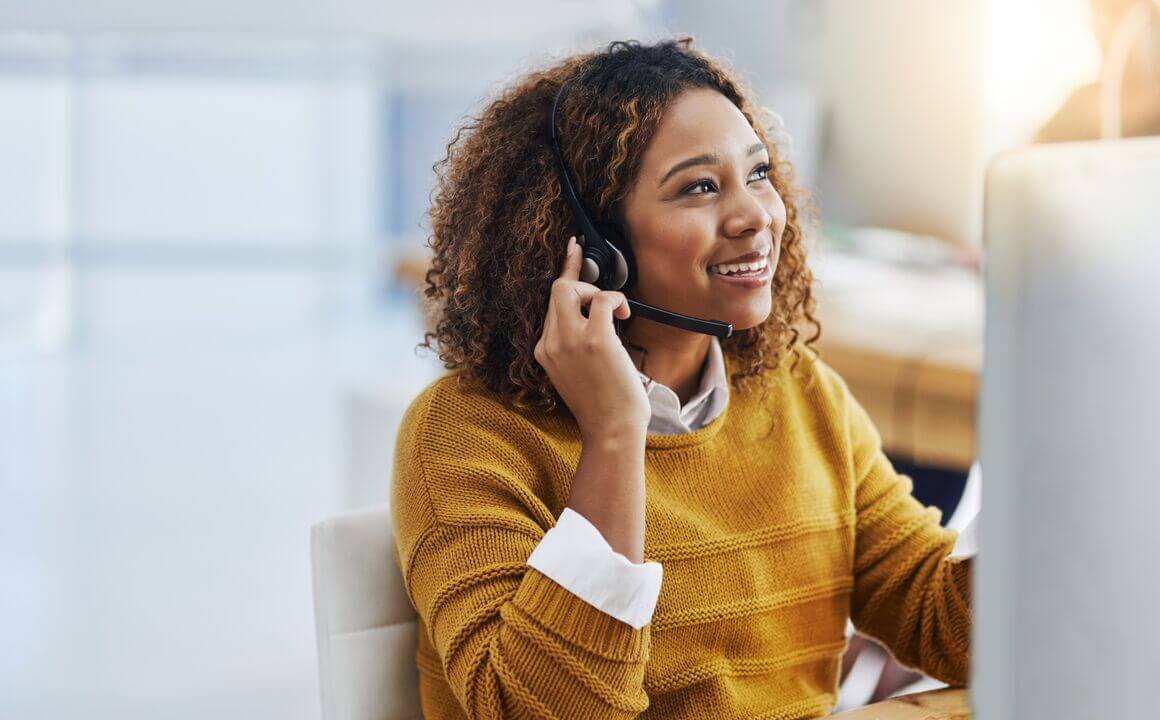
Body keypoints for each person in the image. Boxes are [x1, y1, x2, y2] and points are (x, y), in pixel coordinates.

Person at [390, 38, 971, 719]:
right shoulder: (465, 434)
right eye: (699, 187)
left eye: (758, 175)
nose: (757, 215)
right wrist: (613, 436)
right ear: (591, 245)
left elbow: (941, 619)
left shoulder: (798, 391)